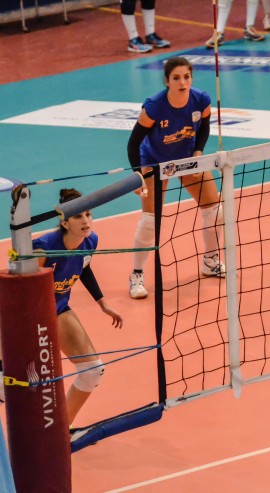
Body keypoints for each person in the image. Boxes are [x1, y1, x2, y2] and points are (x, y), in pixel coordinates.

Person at [126, 56, 224, 300]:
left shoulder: (201, 99)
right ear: (167, 81)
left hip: (186, 158)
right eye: (177, 78)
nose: (183, 82)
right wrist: (138, 173)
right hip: (155, 163)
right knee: (151, 220)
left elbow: (204, 126)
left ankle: (210, 262)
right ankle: (136, 275)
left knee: (215, 210)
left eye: (187, 77)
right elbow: (134, 141)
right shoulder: (155, 106)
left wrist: (199, 152)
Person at [32, 189, 124, 426]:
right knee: (22, 386)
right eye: (78, 217)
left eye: (88, 214)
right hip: (29, 315)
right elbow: (17, 288)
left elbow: (83, 266)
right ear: (64, 222)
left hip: (59, 309)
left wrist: (102, 302)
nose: (85, 221)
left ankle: (62, 430)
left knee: (92, 370)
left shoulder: (90, 241)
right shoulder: (42, 249)